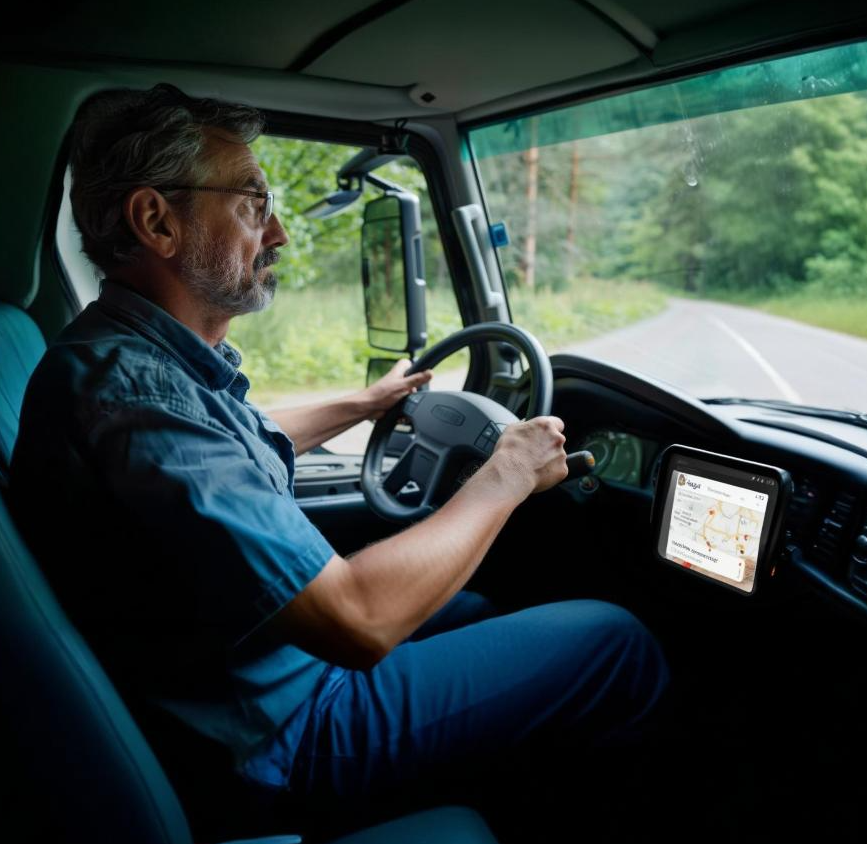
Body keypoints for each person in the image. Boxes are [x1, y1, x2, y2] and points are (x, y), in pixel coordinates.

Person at [9, 83, 669, 832]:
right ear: (156, 221)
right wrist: (506, 475)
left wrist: (358, 406)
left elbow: (226, 450)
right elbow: (357, 620)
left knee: (476, 608)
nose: (279, 232)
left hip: (243, 684)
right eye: (253, 204)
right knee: (613, 639)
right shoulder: (134, 392)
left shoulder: (131, 361)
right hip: (277, 734)